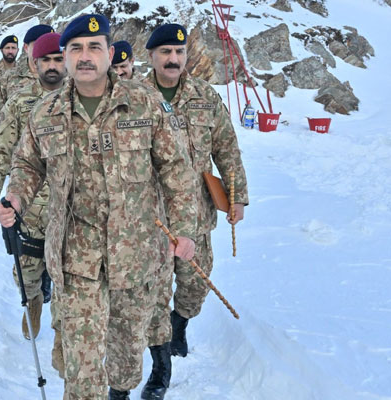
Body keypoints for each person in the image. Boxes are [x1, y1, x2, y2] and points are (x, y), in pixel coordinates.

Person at [0, 14, 199, 400]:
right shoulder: (46, 112)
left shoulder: (144, 104)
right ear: (65, 56)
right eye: (75, 49)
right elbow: (26, 164)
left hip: (134, 257)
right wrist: (16, 198)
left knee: (124, 361)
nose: (84, 56)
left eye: (94, 48)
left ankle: (120, 393)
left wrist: (186, 229)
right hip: (75, 259)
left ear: (109, 53)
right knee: (82, 369)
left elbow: (176, 170)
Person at [139, 23, 249, 400]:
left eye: (179, 52)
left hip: (196, 213)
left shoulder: (205, 96)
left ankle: (180, 324)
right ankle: (160, 367)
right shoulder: (133, 97)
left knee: (194, 283)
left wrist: (236, 196)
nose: (173, 59)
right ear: (151, 56)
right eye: (165, 52)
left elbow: (227, 149)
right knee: (153, 292)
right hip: (149, 216)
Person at [0, 32, 67, 374]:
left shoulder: (82, 100)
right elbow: (1, 152)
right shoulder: (19, 102)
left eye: (58, 59)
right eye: (45, 60)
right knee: (27, 278)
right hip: (28, 211)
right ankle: (33, 300)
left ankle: (64, 342)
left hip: (69, 211)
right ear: (34, 63)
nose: (52, 66)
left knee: (68, 283)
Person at [0, 24, 54, 167]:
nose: (44, 50)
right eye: (39, 45)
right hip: (21, 157)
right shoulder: (9, 78)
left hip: (56, 154)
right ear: (26, 48)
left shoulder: (65, 77)